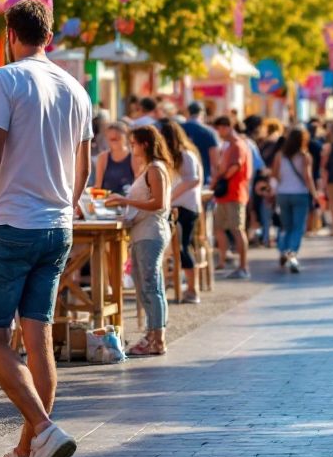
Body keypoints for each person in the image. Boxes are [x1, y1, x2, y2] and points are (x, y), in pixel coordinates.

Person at [0, 0, 90, 457]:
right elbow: (84, 166)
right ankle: (25, 452)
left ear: (10, 33)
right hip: (58, 227)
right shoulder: (76, 88)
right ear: (48, 35)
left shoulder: (6, 78)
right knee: (37, 338)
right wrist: (62, 206)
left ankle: (45, 430)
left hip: (13, 223)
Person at [106, 126, 172, 356]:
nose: (131, 147)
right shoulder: (150, 168)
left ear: (143, 144)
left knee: (150, 286)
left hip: (150, 232)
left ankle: (157, 338)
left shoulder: (154, 169)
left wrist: (125, 200)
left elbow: (159, 203)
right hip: (144, 231)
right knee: (147, 285)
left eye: (133, 143)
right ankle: (153, 334)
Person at [160, 119, 203, 304]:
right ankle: (185, 286)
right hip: (181, 205)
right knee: (178, 247)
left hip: (184, 206)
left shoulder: (185, 155)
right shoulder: (180, 155)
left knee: (184, 246)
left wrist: (169, 198)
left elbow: (192, 180)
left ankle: (193, 289)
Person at [271, 127, 317, 274]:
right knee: (298, 227)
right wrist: (314, 194)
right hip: (300, 193)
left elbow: (275, 175)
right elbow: (307, 178)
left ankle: (283, 250)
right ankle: (292, 254)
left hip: (283, 193)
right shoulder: (305, 157)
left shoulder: (280, 155)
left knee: (286, 226)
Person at [211, 116, 252, 279]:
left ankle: (243, 265)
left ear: (228, 127)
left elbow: (235, 167)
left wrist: (221, 178)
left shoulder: (238, 145)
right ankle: (223, 259)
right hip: (225, 194)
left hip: (234, 192)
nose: (219, 132)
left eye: (220, 128)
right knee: (219, 227)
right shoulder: (229, 146)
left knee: (237, 229)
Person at [181, 102, 220, 184]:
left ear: (188, 113)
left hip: (180, 179)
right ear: (202, 114)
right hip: (203, 178)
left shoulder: (178, 129)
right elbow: (215, 160)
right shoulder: (209, 132)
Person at [93, 122, 134, 195]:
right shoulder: (103, 157)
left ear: (126, 137)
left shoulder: (133, 157)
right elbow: (98, 186)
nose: (114, 139)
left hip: (128, 202)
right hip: (107, 201)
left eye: (117, 137)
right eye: (111, 138)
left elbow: (138, 185)